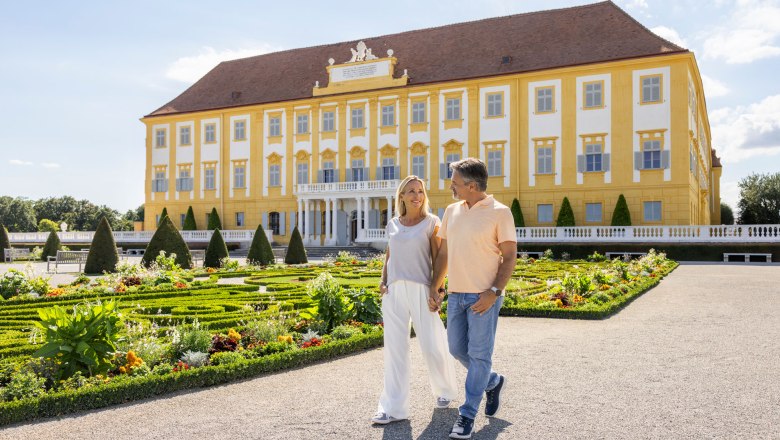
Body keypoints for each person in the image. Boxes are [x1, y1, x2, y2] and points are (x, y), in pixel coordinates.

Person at [430, 158, 517, 439]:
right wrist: (436, 286)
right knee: (456, 349)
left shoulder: (500, 212)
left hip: (484, 297)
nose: (451, 187)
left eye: (454, 182)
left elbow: (510, 256)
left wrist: (494, 292)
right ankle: (492, 381)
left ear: (471, 185)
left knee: (480, 356)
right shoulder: (451, 211)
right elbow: (444, 253)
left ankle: (467, 415)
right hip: (457, 295)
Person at [372, 175, 459, 425]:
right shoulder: (393, 224)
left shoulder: (432, 222)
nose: (416, 196)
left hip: (421, 289)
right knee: (394, 350)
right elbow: (389, 256)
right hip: (394, 292)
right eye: (411, 191)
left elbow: (440, 258)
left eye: (420, 191)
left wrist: (437, 290)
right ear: (401, 196)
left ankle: (445, 390)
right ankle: (393, 407)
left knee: (432, 344)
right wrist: (383, 280)